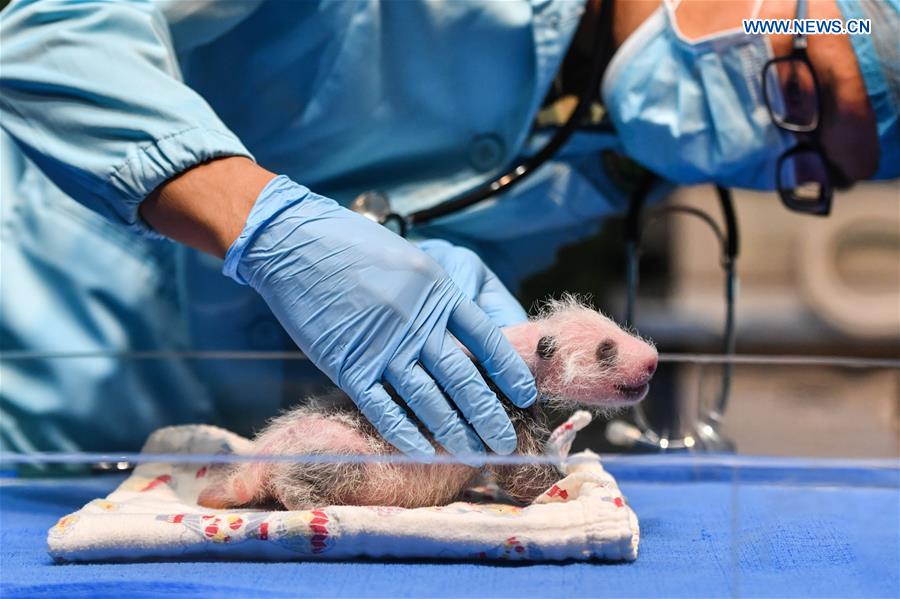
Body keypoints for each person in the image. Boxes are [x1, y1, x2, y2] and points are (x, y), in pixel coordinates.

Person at [1, 0, 896, 456]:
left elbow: (355, 352)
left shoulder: (602, 157)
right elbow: (47, 27)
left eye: (813, 169)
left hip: (189, 474)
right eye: (798, 87)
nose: (764, 143)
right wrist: (263, 223)